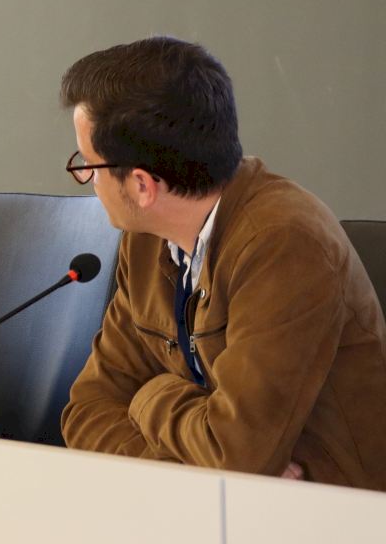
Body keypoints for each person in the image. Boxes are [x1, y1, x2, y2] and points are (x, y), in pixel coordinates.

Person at [59, 35, 386, 490]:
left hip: (334, 511)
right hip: (216, 504)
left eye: (89, 165)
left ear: (142, 185)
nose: (87, 179)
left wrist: (151, 395)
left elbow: (235, 455)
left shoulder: (285, 244)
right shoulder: (145, 242)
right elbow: (86, 411)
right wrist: (183, 468)